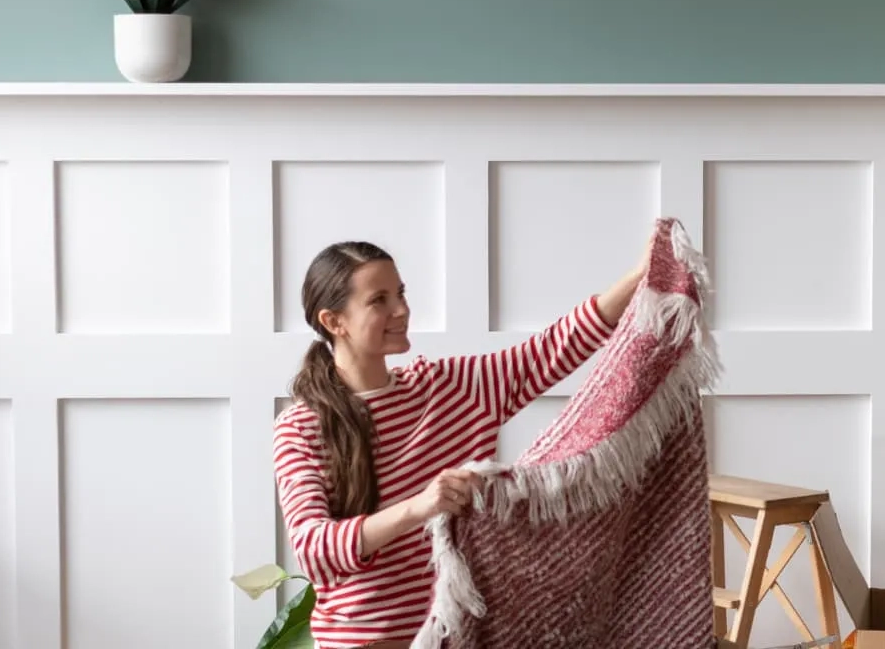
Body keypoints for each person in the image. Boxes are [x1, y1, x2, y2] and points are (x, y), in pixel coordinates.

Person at [272, 236, 650, 649]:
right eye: (379, 300)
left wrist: (640, 275)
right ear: (333, 321)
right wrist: (419, 506)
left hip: (460, 637)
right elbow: (313, 549)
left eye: (400, 293)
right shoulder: (301, 427)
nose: (402, 310)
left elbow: (550, 350)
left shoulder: (449, 388)